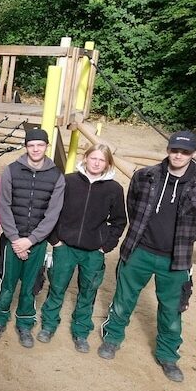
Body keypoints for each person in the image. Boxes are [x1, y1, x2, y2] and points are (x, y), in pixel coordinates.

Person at [98, 130, 196, 382]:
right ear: (168, 150)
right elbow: (133, 206)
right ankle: (112, 338)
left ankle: (168, 355)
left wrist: (182, 240)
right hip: (140, 250)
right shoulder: (145, 176)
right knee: (124, 298)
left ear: (194, 154)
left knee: (171, 309)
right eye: (175, 150)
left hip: (175, 258)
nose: (178, 155)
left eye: (185, 152)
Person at [36, 143, 127, 353]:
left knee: (88, 291)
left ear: (107, 163)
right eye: (93, 158)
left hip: (94, 251)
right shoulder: (68, 181)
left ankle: (81, 331)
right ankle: (49, 325)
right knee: (57, 287)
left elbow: (119, 221)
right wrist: (55, 240)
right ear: (85, 158)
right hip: (65, 246)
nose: (96, 163)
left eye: (102, 160)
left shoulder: (114, 189)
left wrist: (106, 245)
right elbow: (52, 210)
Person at [0, 128, 65, 348]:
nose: (36, 149)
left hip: (36, 242)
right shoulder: (12, 170)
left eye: (40, 145)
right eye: (31, 145)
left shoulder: (56, 176)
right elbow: (4, 205)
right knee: (7, 283)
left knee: (30, 285)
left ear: (46, 146)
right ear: (26, 147)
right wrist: (15, 238)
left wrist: (31, 240)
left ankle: (25, 324)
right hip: (12, 238)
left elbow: (53, 213)